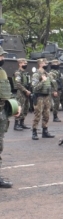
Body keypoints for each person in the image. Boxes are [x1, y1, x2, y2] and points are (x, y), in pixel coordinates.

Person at [0, 46, 18, 188]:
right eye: (1, 56)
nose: (3, 59)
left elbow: (6, 93)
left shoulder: (2, 73)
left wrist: (14, 106)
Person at [31, 59, 55, 140]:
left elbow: (51, 84)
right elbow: (34, 88)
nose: (47, 64)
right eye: (45, 63)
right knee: (37, 114)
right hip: (39, 97)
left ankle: (45, 131)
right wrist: (43, 81)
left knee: (46, 115)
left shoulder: (47, 74)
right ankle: (34, 132)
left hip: (47, 97)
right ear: (41, 64)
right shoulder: (36, 75)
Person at [47, 59, 63, 123]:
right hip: (55, 90)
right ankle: (55, 116)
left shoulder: (59, 72)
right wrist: (54, 91)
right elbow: (52, 82)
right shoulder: (51, 73)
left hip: (61, 89)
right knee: (56, 104)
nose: (58, 66)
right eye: (57, 65)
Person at [13, 58, 32, 131]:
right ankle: (16, 124)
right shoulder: (18, 73)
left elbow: (28, 83)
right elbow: (18, 84)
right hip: (21, 93)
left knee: (26, 108)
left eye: (26, 63)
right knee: (19, 108)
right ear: (20, 64)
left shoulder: (25, 73)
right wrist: (25, 90)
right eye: (24, 63)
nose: (25, 65)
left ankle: (22, 123)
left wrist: (29, 91)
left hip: (26, 92)